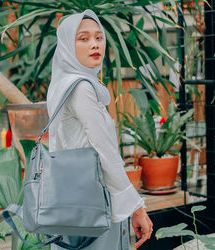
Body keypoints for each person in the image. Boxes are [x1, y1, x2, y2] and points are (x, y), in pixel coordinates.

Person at [46, 9, 153, 249]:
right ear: (66, 45)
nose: (94, 44)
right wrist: (136, 207)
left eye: (98, 37)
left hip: (66, 201)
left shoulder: (59, 84)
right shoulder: (80, 87)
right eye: (83, 38)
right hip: (93, 204)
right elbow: (104, 150)